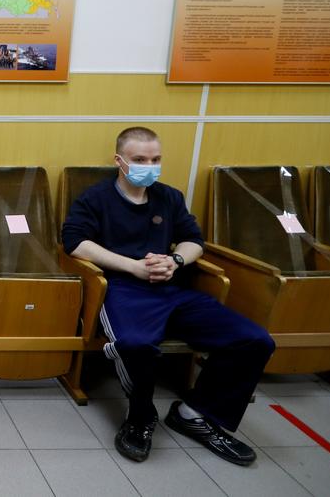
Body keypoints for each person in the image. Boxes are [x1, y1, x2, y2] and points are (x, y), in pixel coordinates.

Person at [61, 126, 275, 467]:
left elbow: (193, 240)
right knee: (134, 343)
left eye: (155, 159)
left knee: (254, 340)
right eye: (140, 159)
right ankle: (140, 416)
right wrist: (133, 267)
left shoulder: (169, 197)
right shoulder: (96, 198)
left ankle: (194, 413)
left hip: (172, 289)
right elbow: (74, 242)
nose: (149, 166)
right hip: (122, 289)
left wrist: (175, 261)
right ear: (119, 161)